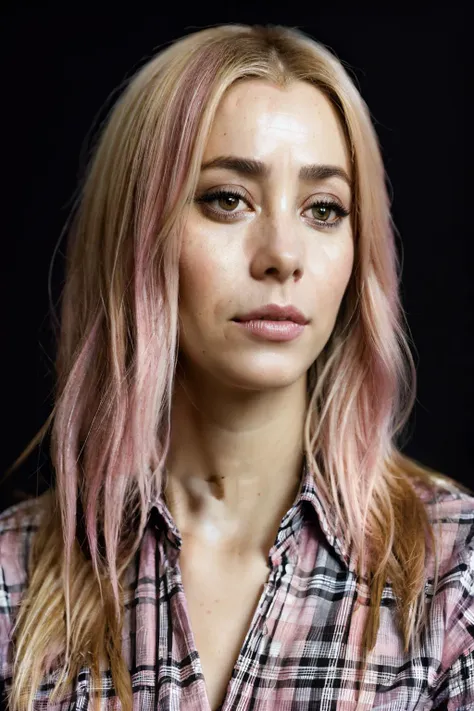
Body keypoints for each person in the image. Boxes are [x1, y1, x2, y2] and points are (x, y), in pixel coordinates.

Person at [0, 23, 473, 711]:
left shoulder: (452, 575)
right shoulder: (14, 583)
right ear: (136, 234)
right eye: (227, 198)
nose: (282, 254)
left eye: (324, 208)